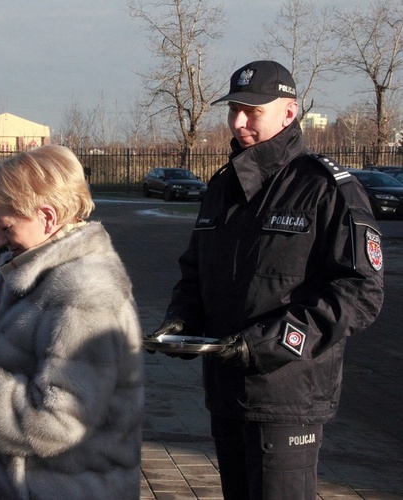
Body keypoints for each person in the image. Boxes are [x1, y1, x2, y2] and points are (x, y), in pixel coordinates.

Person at [146, 60, 385, 499]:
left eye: (252, 111)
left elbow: (360, 292)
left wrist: (275, 341)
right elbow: (195, 272)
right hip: (225, 387)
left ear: (289, 113)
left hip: (287, 393)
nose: (238, 121)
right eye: (234, 108)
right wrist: (182, 320)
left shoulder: (324, 188)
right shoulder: (223, 187)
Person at [0, 144, 144, 498]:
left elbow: (58, 421)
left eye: (5, 226)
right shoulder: (33, 273)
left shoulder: (83, 291)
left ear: (47, 217)